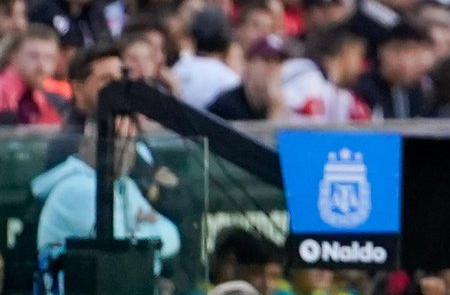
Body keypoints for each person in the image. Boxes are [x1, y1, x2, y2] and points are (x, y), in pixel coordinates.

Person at [33, 118, 181, 260]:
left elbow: (172, 238)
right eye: (113, 141)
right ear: (85, 145)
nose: (122, 149)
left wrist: (135, 233)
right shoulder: (78, 188)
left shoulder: (124, 184)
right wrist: (143, 228)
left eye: (129, 143)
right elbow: (119, 250)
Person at [354, 23, 432, 120]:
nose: (405, 61)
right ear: (381, 51)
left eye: (413, 51)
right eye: (397, 50)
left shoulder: (419, 91)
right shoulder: (363, 89)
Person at [207, 35, 290, 121]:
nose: (273, 67)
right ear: (248, 63)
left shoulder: (283, 102)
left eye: (279, 61)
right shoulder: (225, 106)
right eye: (267, 60)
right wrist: (275, 113)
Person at [0, 24, 65, 125]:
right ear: (13, 57)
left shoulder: (50, 99)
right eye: (33, 56)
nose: (41, 65)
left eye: (48, 58)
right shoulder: (3, 93)